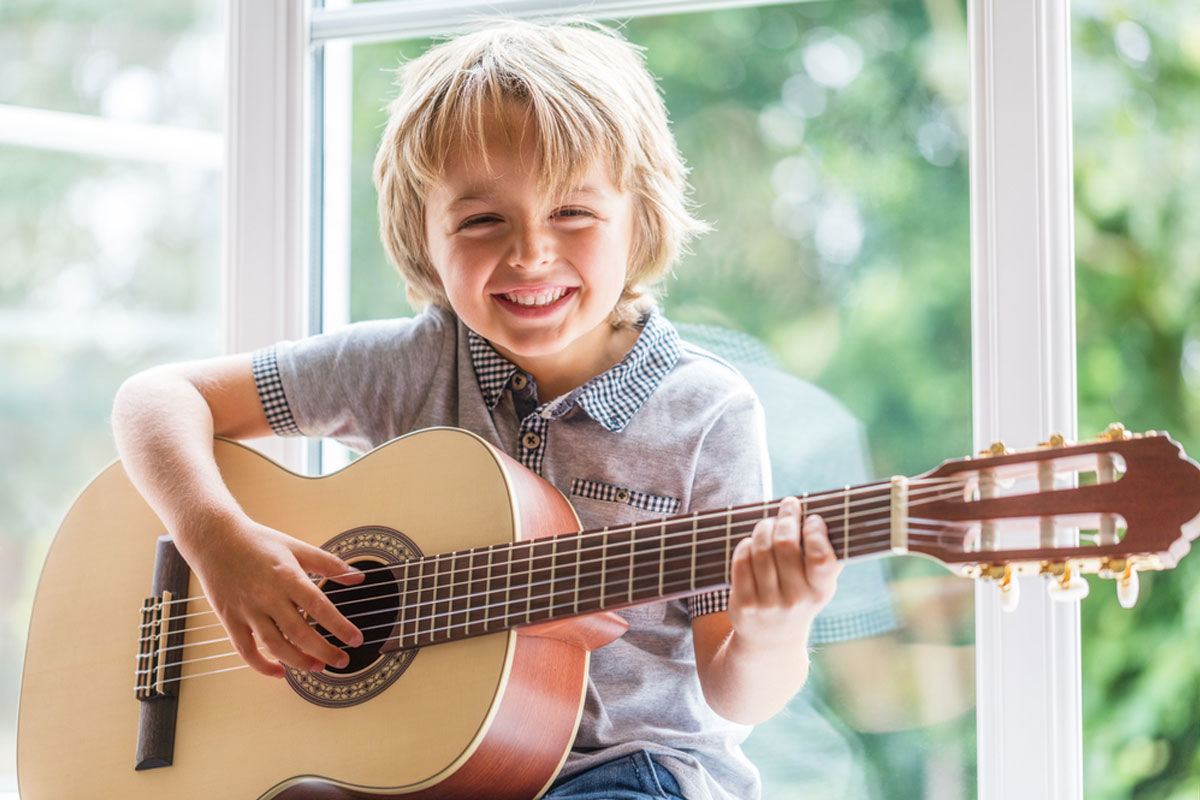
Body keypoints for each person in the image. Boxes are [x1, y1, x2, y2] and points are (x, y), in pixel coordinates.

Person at [112, 20, 839, 800]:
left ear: (642, 217)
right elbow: (156, 399)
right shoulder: (408, 365)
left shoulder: (705, 414)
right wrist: (219, 545)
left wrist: (773, 629)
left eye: (573, 213)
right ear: (423, 239)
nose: (530, 253)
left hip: (626, 768)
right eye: (482, 220)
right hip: (405, 767)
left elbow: (735, 691)